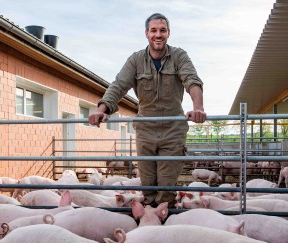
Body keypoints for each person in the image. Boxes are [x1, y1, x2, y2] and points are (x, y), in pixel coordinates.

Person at [88, 13, 206, 208]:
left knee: (166, 188)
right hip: (146, 130)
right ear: (146, 34)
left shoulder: (179, 56)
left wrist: (198, 108)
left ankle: (163, 224)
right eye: (153, 30)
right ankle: (149, 226)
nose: (158, 35)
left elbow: (192, 80)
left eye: (162, 30)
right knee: (148, 187)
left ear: (168, 33)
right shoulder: (136, 60)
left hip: (172, 130)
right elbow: (118, 86)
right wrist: (101, 109)